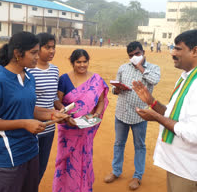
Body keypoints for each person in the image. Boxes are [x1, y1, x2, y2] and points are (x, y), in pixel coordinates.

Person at [132, 30, 197, 192]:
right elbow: (175, 115)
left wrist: (156, 117)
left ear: (195, 51)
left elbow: (193, 134)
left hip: (191, 172)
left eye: (177, 49)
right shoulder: (188, 77)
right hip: (179, 165)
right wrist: (152, 103)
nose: (172, 53)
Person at [0, 32, 69, 192]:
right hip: (7, 156)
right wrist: (24, 124)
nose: (37, 56)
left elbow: (28, 109)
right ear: (18, 54)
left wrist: (53, 114)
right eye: (33, 52)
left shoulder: (29, 77)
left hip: (31, 151)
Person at [104, 41, 160, 190]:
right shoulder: (123, 68)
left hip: (140, 115)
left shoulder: (153, 69)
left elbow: (154, 80)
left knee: (140, 146)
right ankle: (116, 171)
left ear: (143, 52)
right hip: (121, 113)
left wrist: (140, 66)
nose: (134, 57)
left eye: (137, 54)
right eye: (131, 55)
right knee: (118, 143)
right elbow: (114, 88)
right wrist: (117, 89)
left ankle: (137, 176)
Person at [52, 49, 109, 192]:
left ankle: (83, 187)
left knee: (85, 157)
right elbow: (57, 101)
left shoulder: (96, 80)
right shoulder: (64, 79)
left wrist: (95, 115)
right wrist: (66, 115)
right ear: (72, 62)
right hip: (68, 128)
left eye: (85, 62)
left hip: (86, 128)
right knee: (65, 159)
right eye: (78, 62)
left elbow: (101, 102)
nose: (82, 65)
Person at [26, 33, 65, 183]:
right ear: (37, 48)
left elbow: (54, 97)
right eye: (47, 47)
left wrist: (62, 109)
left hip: (49, 128)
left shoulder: (55, 70)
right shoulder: (28, 71)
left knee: (40, 168)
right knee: (28, 169)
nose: (51, 51)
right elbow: (25, 101)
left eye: (53, 47)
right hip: (32, 128)